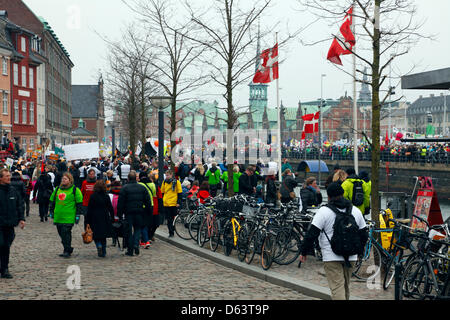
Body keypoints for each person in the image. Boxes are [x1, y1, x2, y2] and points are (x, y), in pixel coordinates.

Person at [299, 182, 368, 300]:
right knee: (345, 287)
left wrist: (304, 252)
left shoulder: (324, 211)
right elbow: (363, 234)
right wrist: (359, 252)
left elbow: (312, 234)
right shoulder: (355, 211)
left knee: (337, 288)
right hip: (351, 256)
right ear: (342, 194)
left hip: (331, 256)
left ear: (329, 196)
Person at [117, 170, 152, 256]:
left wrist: (119, 215)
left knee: (129, 231)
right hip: (139, 211)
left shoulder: (124, 188)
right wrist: (148, 212)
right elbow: (148, 201)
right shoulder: (142, 188)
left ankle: (130, 250)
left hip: (128, 212)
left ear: (128, 178)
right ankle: (136, 244)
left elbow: (120, 203)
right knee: (137, 229)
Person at [49, 173, 83, 258]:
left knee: (66, 233)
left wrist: (77, 214)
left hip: (69, 216)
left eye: (65, 179)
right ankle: (67, 248)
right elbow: (52, 201)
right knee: (61, 233)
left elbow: (79, 203)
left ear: (70, 180)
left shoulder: (75, 190)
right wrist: (51, 211)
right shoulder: (57, 189)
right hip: (59, 216)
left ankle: (67, 250)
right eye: (63, 179)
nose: (63, 180)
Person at [0, 168, 25, 279]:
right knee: (1, 244)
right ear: (0, 178)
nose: (9, 178)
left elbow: (19, 205)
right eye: (6, 176)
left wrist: (21, 218)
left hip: (10, 224)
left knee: (6, 246)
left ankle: (4, 268)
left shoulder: (13, 190)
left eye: (9, 176)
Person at [86, 180, 114, 257]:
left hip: (94, 217)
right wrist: (112, 218)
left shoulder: (93, 196)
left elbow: (89, 209)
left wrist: (87, 220)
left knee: (96, 235)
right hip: (104, 217)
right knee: (103, 236)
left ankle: (98, 245)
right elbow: (110, 208)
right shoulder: (106, 196)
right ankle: (104, 252)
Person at [161, 170, 182, 237]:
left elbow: (179, 192)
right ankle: (171, 232)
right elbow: (162, 191)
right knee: (169, 219)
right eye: (166, 175)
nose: (167, 177)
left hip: (173, 202)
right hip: (166, 202)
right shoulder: (164, 182)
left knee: (173, 218)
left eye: (168, 175)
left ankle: (172, 229)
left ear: (171, 175)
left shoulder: (176, 182)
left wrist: (178, 202)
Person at [138, 172, 155, 249]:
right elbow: (154, 194)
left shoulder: (140, 185)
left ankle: (145, 240)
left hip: (143, 206)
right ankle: (144, 239)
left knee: (142, 224)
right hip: (151, 205)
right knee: (147, 223)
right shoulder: (152, 184)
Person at [148, 173, 162, 242]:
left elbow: (160, 197)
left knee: (155, 224)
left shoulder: (156, 187)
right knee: (149, 223)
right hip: (148, 206)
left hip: (155, 207)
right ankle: (149, 235)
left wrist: (160, 207)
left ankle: (151, 234)